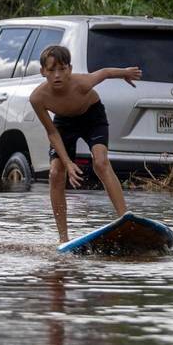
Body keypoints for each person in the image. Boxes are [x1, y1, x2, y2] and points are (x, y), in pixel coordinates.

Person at [29, 44, 142, 243]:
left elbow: (105, 73)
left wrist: (124, 73)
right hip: (63, 124)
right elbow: (52, 133)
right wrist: (67, 162)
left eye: (62, 69)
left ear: (70, 70)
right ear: (42, 72)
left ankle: (125, 219)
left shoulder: (81, 83)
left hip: (92, 116)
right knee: (56, 173)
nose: (57, 75)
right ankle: (63, 238)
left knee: (100, 162)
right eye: (51, 70)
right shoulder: (37, 98)